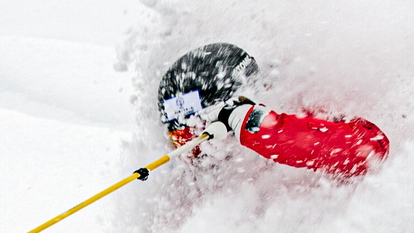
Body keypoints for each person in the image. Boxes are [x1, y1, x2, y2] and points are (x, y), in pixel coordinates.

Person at [158, 42, 388, 178]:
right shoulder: (191, 181)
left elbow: (370, 150)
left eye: (190, 138)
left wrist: (252, 122)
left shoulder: (296, 107)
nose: (188, 155)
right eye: (177, 140)